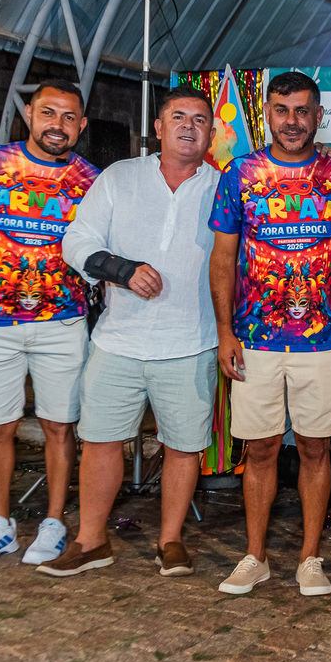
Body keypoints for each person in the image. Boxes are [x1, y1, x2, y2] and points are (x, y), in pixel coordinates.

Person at [37, 85, 220, 578]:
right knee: (100, 441)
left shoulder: (225, 188)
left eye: (199, 119)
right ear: (157, 128)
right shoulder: (120, 176)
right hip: (117, 341)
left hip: (191, 342)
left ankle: (171, 540)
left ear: (211, 132)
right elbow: (77, 240)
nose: (188, 126)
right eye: (178, 117)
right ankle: (91, 541)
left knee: (183, 446)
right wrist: (121, 269)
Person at [210, 71, 331, 598]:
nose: (292, 121)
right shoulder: (240, 173)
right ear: (267, 114)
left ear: (319, 115)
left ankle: (309, 559)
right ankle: (255, 557)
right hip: (254, 340)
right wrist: (225, 332)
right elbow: (223, 258)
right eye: (281, 110)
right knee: (260, 450)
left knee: (316, 450)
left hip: (321, 339)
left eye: (302, 111)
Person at [0, 79, 99, 567]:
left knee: (60, 427)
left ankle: (53, 523)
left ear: (82, 125)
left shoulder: (93, 180)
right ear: (29, 114)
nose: (57, 125)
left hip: (63, 322)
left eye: (68, 117)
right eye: (48, 113)